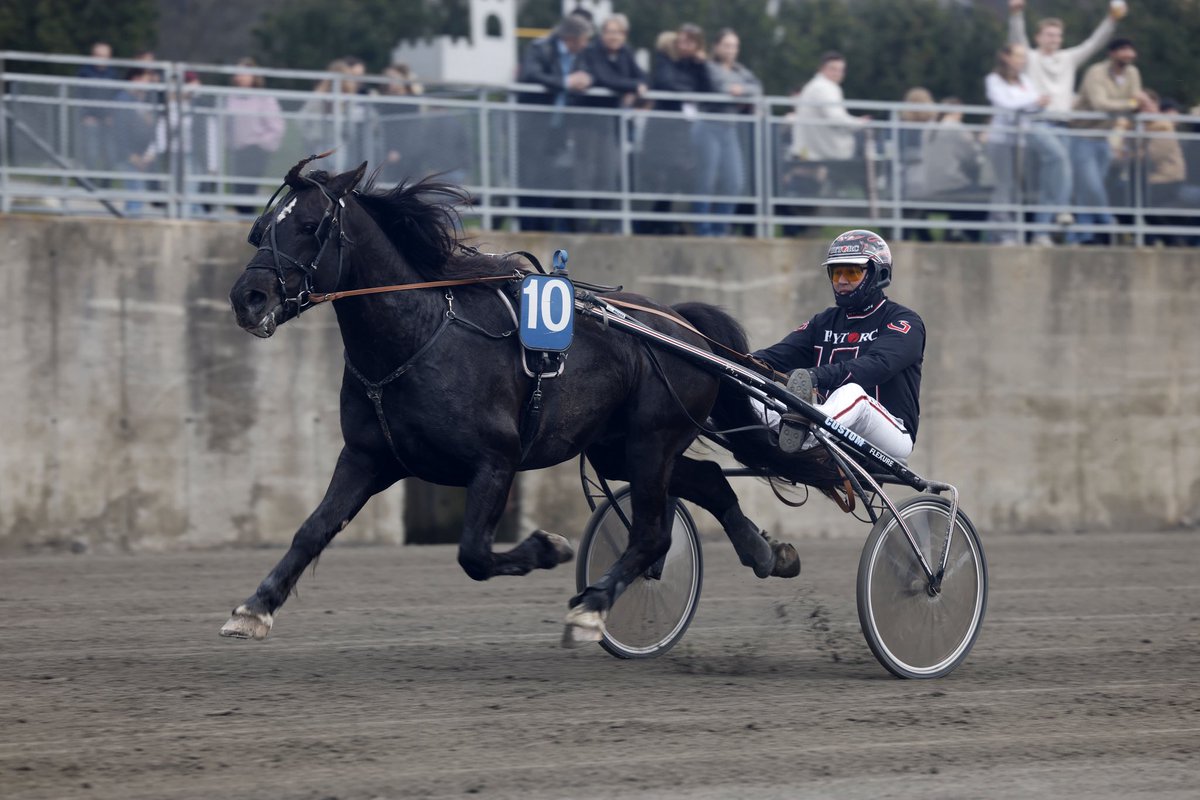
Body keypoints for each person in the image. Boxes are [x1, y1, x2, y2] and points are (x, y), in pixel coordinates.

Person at [751, 230, 924, 463]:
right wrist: (732, 363)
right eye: (836, 273)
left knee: (853, 394)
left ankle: (807, 435)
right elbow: (772, 358)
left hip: (890, 434)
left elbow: (879, 365)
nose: (842, 281)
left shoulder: (903, 321)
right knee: (749, 388)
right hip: (827, 421)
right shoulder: (822, 322)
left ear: (879, 274)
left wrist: (814, 376)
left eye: (852, 273)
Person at [1008, 0, 1127, 240]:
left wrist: (1111, 20)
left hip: (1063, 125)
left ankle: (1040, 233)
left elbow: (1094, 43)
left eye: (1057, 35)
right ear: (1039, 37)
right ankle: (1063, 209)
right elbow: (1017, 40)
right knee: (1060, 160)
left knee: (1050, 181)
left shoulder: (1068, 58)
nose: (1054, 39)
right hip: (1038, 122)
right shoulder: (1030, 58)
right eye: (1049, 35)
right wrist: (1016, 14)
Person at [515, 13, 595, 232]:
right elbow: (531, 75)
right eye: (584, 39)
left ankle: (545, 227)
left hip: (558, 128)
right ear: (571, 38)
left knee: (549, 178)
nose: (586, 44)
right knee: (530, 178)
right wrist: (565, 82)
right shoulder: (540, 48)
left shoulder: (580, 55)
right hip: (532, 125)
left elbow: (592, 72)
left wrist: (587, 79)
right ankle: (529, 228)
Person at [1069, 37, 1146, 244]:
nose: (1128, 54)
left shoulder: (1132, 73)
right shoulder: (1096, 72)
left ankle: (1081, 236)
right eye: (1123, 50)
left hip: (1103, 138)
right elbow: (1100, 103)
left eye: (1130, 50)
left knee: (1088, 191)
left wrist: (1135, 103)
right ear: (1112, 53)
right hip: (1081, 136)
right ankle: (1109, 222)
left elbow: (1138, 100)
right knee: (1093, 187)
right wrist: (1131, 103)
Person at [640, 23, 711, 235]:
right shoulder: (666, 58)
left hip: (683, 129)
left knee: (677, 176)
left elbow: (707, 88)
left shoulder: (694, 65)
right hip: (663, 127)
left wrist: (701, 65)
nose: (684, 46)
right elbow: (666, 83)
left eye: (689, 42)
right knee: (662, 174)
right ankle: (653, 220)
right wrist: (688, 92)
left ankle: (664, 218)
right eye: (681, 41)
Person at [578, 13, 646, 232]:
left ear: (624, 35)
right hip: (588, 123)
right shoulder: (591, 52)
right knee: (586, 174)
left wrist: (634, 86)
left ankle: (607, 224)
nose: (613, 36)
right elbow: (603, 78)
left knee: (609, 174)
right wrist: (632, 87)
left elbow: (644, 77)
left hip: (612, 126)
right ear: (602, 34)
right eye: (609, 32)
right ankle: (582, 223)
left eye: (617, 32)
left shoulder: (626, 53)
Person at [693, 27, 760, 237]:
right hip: (709, 125)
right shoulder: (708, 67)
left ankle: (721, 228)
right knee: (708, 178)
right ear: (717, 46)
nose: (731, 50)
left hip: (729, 129)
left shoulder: (740, 70)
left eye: (735, 46)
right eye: (727, 45)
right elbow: (719, 86)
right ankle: (703, 228)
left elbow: (757, 88)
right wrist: (740, 91)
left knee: (735, 181)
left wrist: (741, 90)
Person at [984, 43, 1049, 245]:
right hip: (1001, 140)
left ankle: (1011, 229)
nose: (1022, 60)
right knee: (1004, 185)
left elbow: (1031, 105)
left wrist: (1035, 104)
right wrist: (1032, 103)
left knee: (1015, 188)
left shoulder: (1025, 81)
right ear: (1006, 57)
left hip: (1020, 141)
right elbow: (1005, 104)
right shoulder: (994, 80)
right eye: (1018, 56)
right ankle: (1003, 231)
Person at [225, 57, 285, 214]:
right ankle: (242, 213)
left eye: (244, 73)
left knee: (248, 186)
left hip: (256, 149)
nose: (240, 77)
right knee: (238, 186)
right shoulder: (231, 97)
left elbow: (276, 127)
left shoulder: (264, 99)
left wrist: (260, 143)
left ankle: (246, 215)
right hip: (238, 149)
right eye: (238, 74)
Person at [789, 52, 869, 164]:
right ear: (822, 69)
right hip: (821, 155)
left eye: (841, 70)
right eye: (833, 69)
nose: (838, 73)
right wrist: (860, 123)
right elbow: (836, 118)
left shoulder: (813, 86)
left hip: (806, 151)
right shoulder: (826, 87)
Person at [75, 42, 120, 174]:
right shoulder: (84, 73)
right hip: (91, 121)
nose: (102, 59)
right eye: (98, 55)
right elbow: (78, 95)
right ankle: (90, 186)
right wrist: (85, 116)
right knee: (91, 154)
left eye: (105, 56)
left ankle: (106, 186)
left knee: (111, 156)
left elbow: (117, 97)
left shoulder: (113, 74)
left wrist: (112, 116)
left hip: (108, 122)